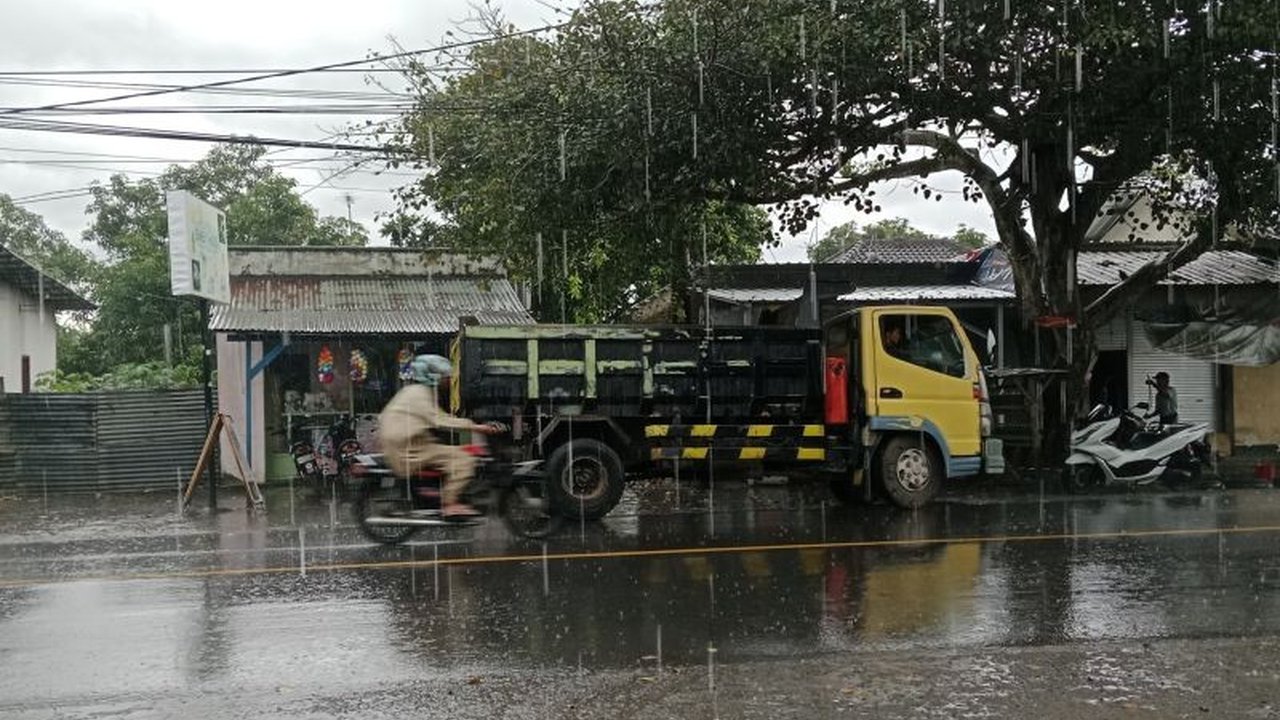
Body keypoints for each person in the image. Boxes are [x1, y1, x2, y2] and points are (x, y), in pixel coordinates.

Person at [378, 354, 494, 518]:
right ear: (433, 376)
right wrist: (474, 427)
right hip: (409, 448)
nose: (448, 381)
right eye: (445, 377)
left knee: (447, 451)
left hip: (407, 444)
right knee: (463, 459)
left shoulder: (412, 391)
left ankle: (440, 495)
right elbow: (439, 420)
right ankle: (450, 503)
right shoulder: (421, 394)